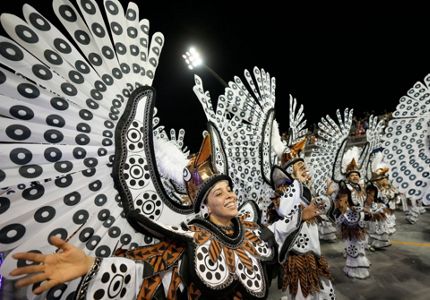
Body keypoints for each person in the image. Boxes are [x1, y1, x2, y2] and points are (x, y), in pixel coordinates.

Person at [6, 134, 280, 299]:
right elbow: (146, 267)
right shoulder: (193, 238)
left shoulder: (248, 227)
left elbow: (274, 236)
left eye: (229, 189)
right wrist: (91, 264)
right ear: (205, 205)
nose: (230, 195)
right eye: (219, 193)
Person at [268, 139, 335, 300]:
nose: (306, 171)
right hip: (298, 253)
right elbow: (286, 210)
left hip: (313, 249)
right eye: (301, 168)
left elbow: (321, 210)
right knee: (302, 292)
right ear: (291, 172)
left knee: (321, 289)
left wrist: (327, 195)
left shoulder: (303, 190)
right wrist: (297, 181)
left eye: (305, 167)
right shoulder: (284, 194)